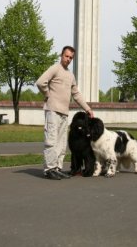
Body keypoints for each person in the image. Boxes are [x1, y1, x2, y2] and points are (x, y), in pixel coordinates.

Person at [36, 45, 94, 180]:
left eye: (71, 58)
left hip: (64, 113)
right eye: (66, 56)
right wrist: (47, 94)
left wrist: (88, 108)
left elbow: (76, 94)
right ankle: (49, 169)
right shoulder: (55, 68)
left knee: (61, 143)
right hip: (52, 110)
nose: (68, 59)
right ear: (61, 55)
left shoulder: (70, 75)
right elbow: (40, 82)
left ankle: (57, 168)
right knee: (51, 140)